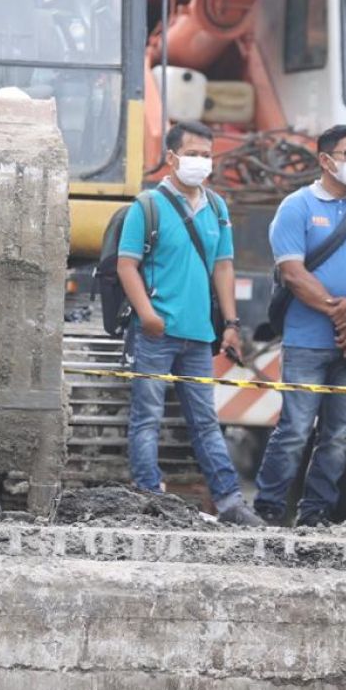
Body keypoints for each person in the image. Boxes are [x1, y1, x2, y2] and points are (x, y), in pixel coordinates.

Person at [116, 120, 262, 526]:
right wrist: (147, 314)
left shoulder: (216, 207)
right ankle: (149, 493)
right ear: (172, 157)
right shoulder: (146, 206)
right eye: (193, 153)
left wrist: (230, 323)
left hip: (199, 336)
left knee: (205, 421)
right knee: (147, 416)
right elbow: (126, 264)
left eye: (206, 154)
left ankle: (231, 502)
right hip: (156, 334)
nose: (201, 161)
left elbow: (224, 266)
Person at [255, 124, 346, 526]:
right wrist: (339, 315)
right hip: (308, 340)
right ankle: (270, 508)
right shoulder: (296, 207)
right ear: (326, 160)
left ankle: (316, 513)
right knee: (294, 430)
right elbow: (293, 273)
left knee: (338, 436)